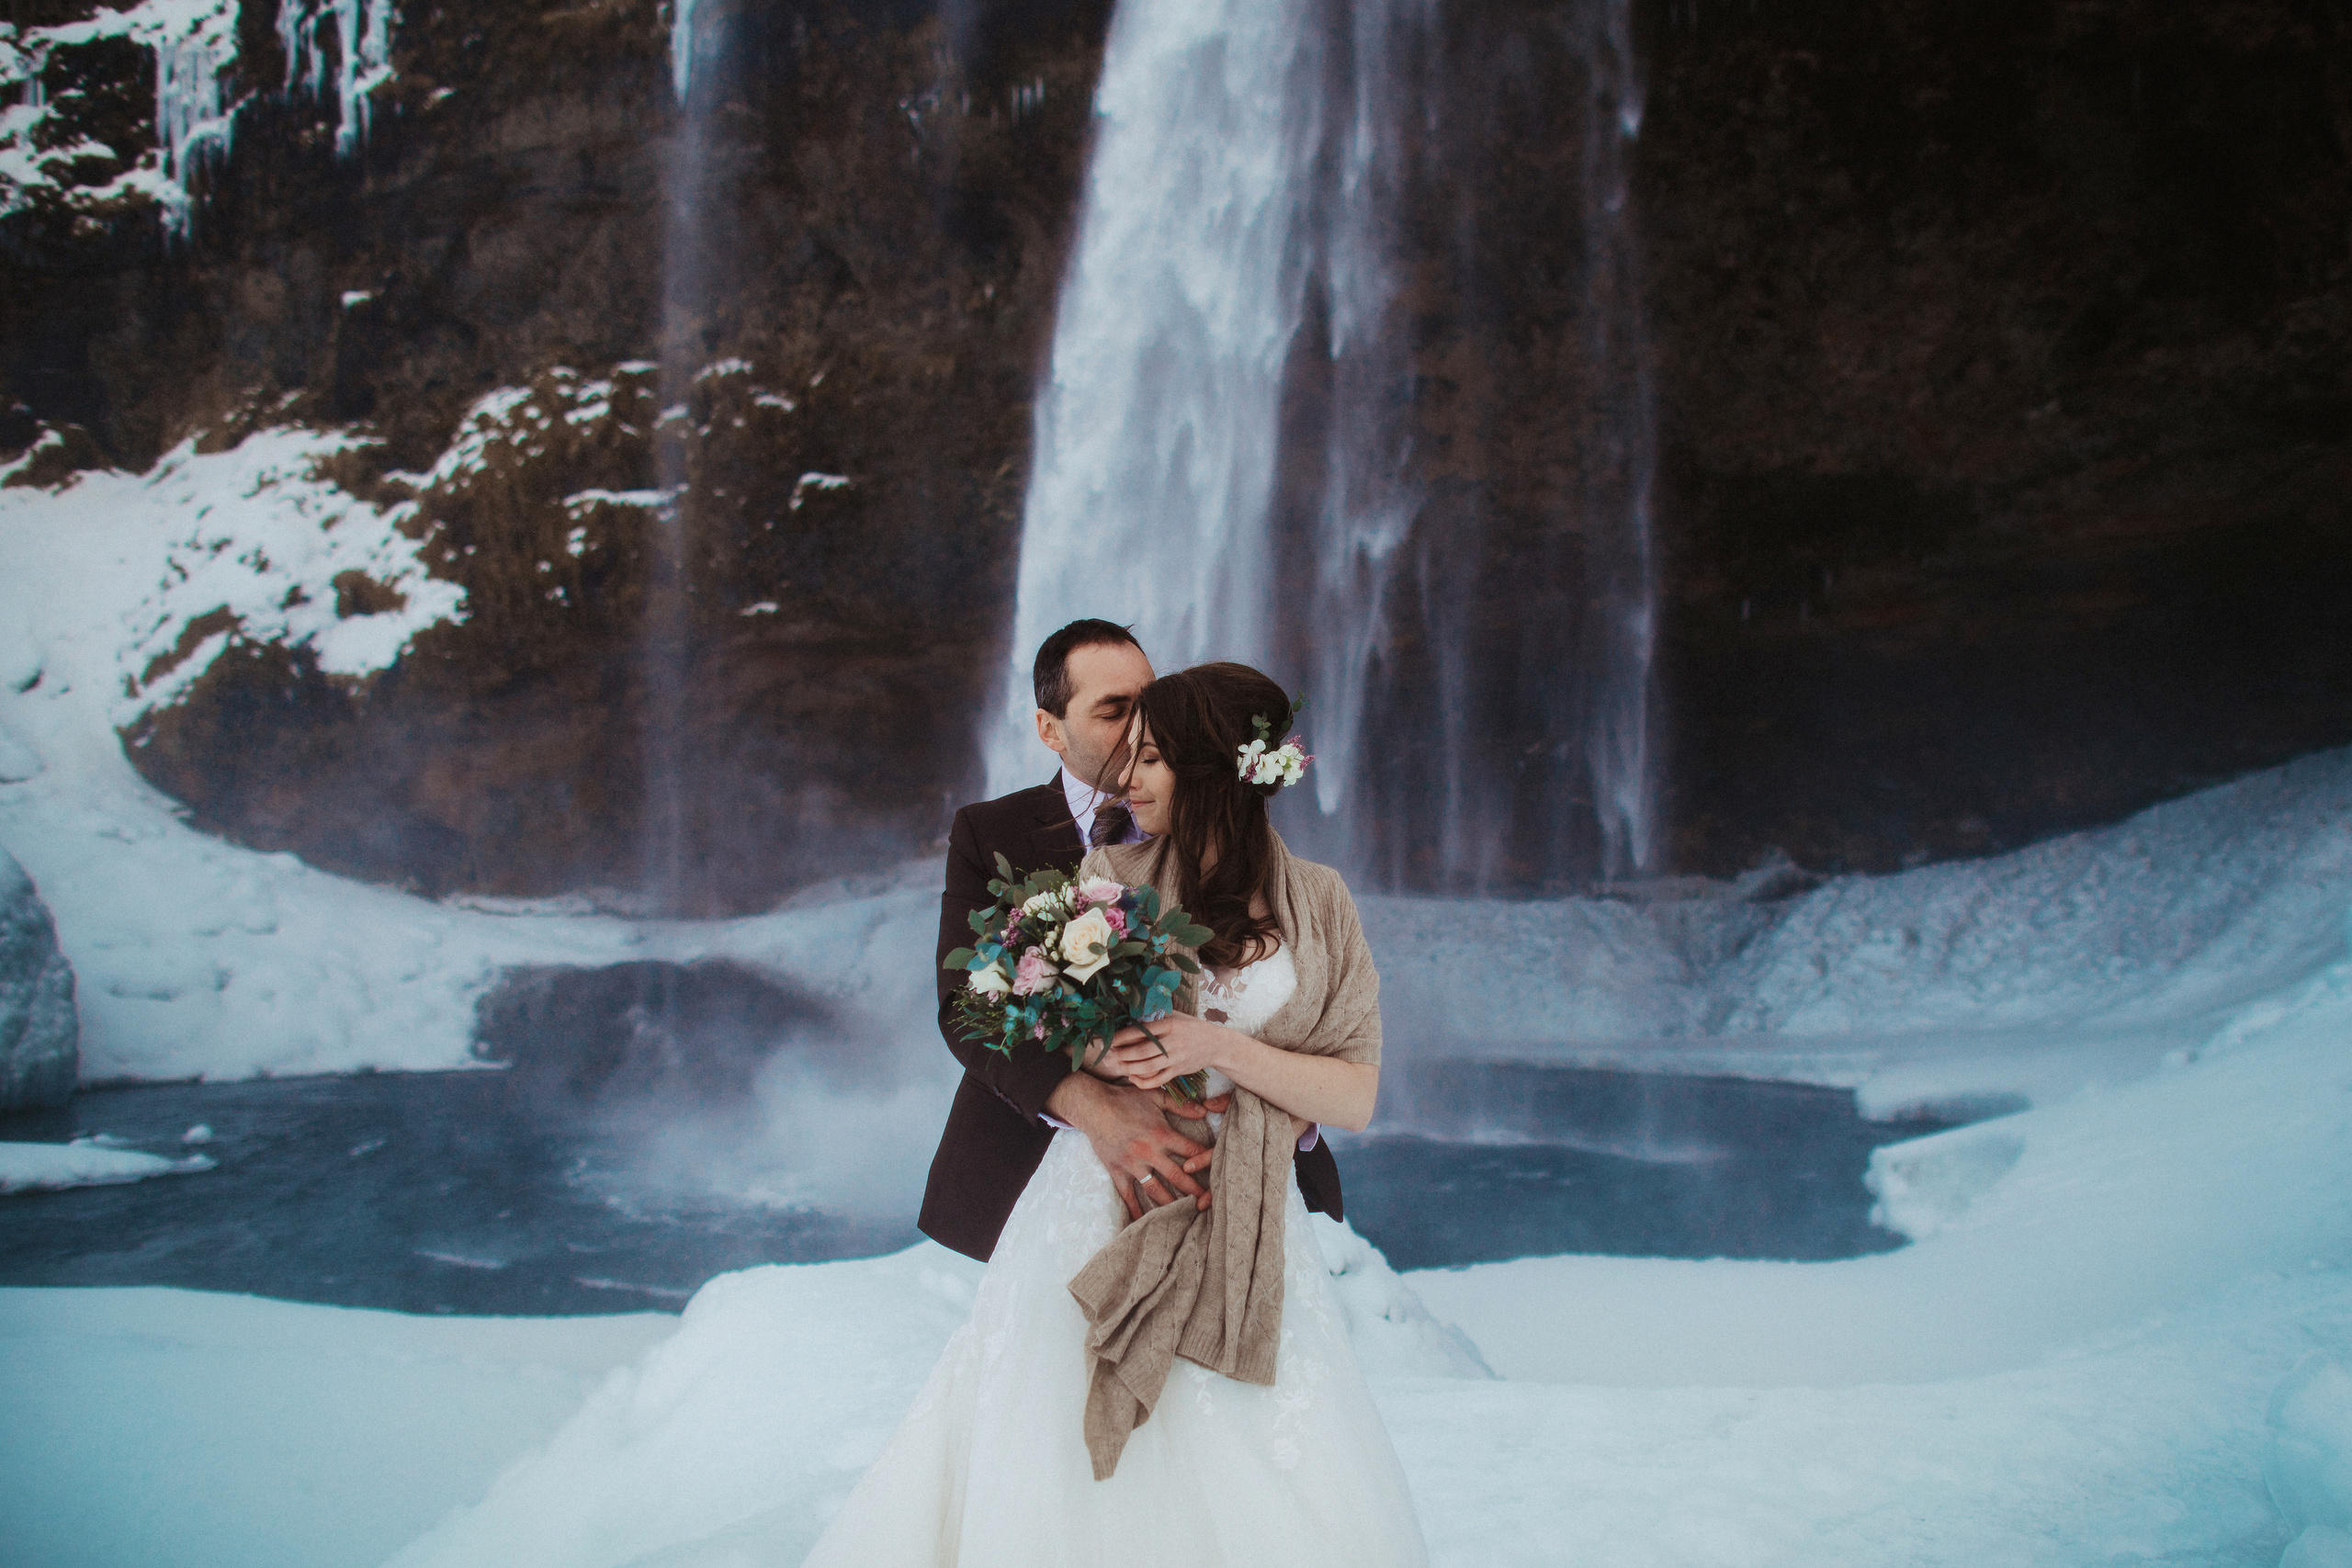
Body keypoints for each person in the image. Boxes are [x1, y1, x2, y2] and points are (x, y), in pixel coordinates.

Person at [804, 662, 1427, 1567]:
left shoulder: (1321, 902)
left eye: (1151, 758)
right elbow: (1043, 1023)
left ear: (1213, 769)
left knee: (1262, 1458)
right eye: (1126, 752)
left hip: (1251, 1219)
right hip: (1104, 1199)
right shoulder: (1106, 879)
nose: (1125, 777)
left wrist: (1220, 1050)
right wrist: (1100, 1056)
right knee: (1061, 1447)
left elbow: (1356, 1097)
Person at [918, 620, 1344, 1261]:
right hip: (1031, 1182)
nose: (1145, 724)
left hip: (1234, 1174)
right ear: (1049, 730)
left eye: (1152, 701)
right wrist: (1094, 1108)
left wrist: (1288, 1098)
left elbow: (1282, 980)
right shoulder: (990, 833)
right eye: (1116, 710)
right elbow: (966, 1009)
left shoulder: (1222, 814)